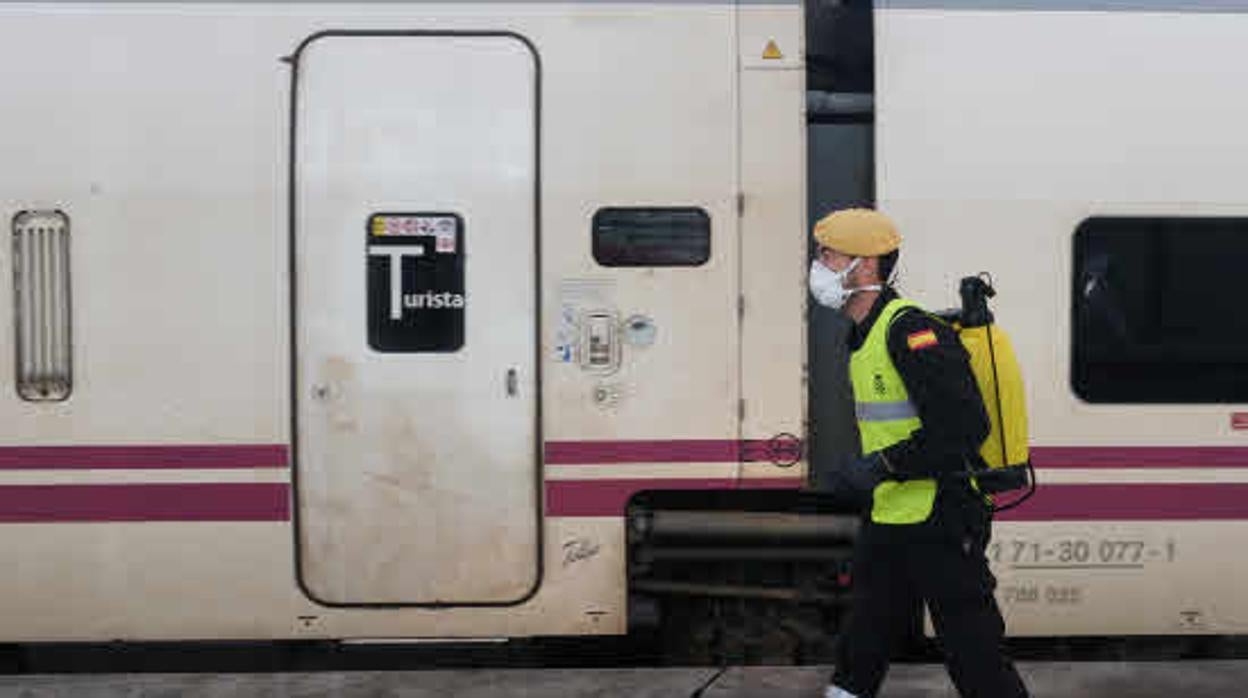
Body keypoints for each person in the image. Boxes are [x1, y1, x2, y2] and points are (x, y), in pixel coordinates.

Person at [809, 209, 1030, 698]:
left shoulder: (910, 331)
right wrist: (877, 477)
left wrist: (883, 465)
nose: (819, 265)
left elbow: (965, 426)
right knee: (866, 629)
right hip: (892, 512)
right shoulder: (863, 334)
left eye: (828, 255)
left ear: (864, 267)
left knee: (972, 648)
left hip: (942, 513)